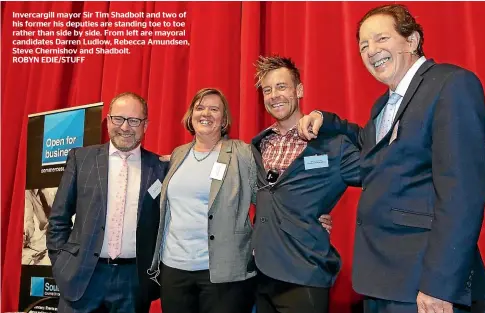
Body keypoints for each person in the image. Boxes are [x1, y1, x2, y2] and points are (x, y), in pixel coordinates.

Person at [297, 4, 485, 313]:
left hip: (425, 287)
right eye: (363, 45)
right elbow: (370, 143)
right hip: (382, 282)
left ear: (412, 41)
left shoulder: (450, 84)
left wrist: (440, 285)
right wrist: (327, 119)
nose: (371, 51)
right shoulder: (383, 104)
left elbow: (463, 193)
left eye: (381, 39)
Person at [148, 87, 334, 313]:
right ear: (191, 115)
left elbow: (271, 195)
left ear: (224, 119)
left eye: (214, 109)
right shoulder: (179, 154)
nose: (206, 113)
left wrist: (307, 214)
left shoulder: (242, 153)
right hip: (174, 269)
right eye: (200, 108)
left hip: (223, 273)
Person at [250, 56, 361, 313]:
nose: (274, 95)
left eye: (281, 86)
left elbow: (379, 164)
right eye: (267, 90)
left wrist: (331, 121)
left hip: (305, 275)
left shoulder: (333, 145)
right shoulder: (257, 146)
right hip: (262, 277)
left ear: (299, 90)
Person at [47, 92, 167, 313]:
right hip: (82, 275)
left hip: (133, 282)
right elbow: (58, 218)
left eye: (134, 120)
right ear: (109, 120)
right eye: (118, 119)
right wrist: (61, 263)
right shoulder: (81, 159)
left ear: (146, 125)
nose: (125, 127)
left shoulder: (160, 167)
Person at [23, 188, 57, 265]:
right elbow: (29, 219)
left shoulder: (53, 187)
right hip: (46, 236)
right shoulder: (28, 192)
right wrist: (26, 235)